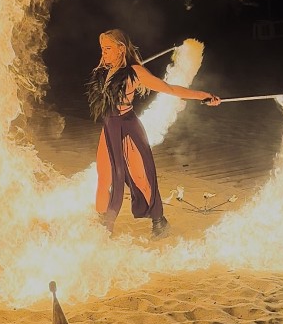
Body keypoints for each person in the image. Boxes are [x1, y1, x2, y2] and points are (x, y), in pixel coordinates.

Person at [86, 28, 221, 238]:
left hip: (126, 127)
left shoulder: (136, 73)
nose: (103, 53)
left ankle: (159, 220)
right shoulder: (105, 70)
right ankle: (103, 221)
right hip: (109, 126)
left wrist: (203, 95)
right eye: (102, 48)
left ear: (121, 49)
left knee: (140, 176)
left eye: (108, 48)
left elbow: (170, 89)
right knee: (104, 176)